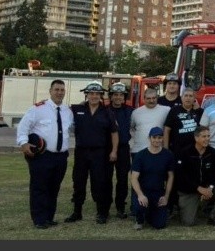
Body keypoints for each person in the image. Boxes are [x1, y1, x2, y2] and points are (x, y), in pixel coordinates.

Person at [16, 79, 74, 229]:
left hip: (61, 157)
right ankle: (39, 219)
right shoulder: (38, 109)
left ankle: (49, 217)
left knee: (54, 188)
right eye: (56, 89)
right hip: (42, 156)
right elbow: (23, 127)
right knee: (39, 187)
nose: (59, 92)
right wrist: (23, 143)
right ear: (50, 91)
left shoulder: (68, 112)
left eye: (62, 90)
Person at [65, 81, 119, 225]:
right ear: (86, 95)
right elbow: (60, 113)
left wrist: (114, 151)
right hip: (81, 152)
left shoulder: (108, 112)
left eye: (97, 94)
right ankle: (77, 212)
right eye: (91, 93)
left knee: (99, 183)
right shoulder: (76, 109)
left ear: (101, 96)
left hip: (100, 153)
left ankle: (101, 213)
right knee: (78, 182)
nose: (94, 96)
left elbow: (114, 133)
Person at [174, 125, 215, 226]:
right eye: (204, 136)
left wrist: (210, 188)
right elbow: (181, 176)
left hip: (207, 187)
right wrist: (198, 188)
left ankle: (213, 216)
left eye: (208, 136)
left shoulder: (212, 153)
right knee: (188, 222)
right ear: (196, 138)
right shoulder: (185, 152)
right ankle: (196, 207)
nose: (207, 139)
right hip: (189, 191)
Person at [129, 88, 170, 218]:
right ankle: (135, 208)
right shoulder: (136, 113)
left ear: (157, 98)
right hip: (138, 150)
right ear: (143, 99)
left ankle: (158, 205)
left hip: (158, 151)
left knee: (157, 180)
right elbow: (132, 128)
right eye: (148, 98)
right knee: (136, 179)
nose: (151, 101)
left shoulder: (166, 110)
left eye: (154, 98)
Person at [130, 127, 176, 230]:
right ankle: (139, 219)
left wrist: (166, 196)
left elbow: (171, 176)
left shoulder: (168, 155)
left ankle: (150, 213)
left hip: (158, 191)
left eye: (159, 137)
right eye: (154, 137)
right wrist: (140, 195)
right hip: (143, 191)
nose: (157, 140)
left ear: (162, 138)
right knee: (140, 206)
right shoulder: (140, 155)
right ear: (149, 138)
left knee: (159, 225)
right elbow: (133, 178)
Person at [107, 82, 134, 219]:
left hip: (123, 148)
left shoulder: (130, 111)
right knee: (105, 179)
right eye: (115, 95)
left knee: (122, 180)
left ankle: (120, 207)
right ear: (110, 96)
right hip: (106, 149)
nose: (118, 97)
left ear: (124, 97)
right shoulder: (104, 110)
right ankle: (105, 206)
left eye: (121, 95)